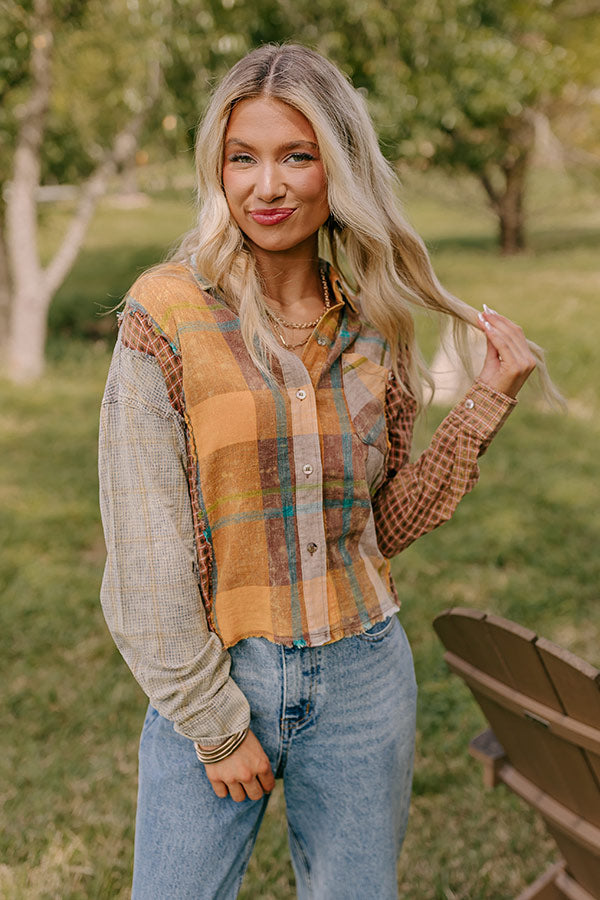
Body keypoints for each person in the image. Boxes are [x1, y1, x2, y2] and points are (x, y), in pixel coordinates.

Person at [99, 43, 552, 899]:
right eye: (244, 157)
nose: (267, 186)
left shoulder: (378, 325)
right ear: (218, 169)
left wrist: (486, 401)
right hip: (220, 674)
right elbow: (144, 547)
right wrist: (214, 723)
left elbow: (377, 526)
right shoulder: (166, 314)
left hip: (364, 679)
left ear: (337, 168)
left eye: (296, 156)